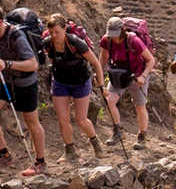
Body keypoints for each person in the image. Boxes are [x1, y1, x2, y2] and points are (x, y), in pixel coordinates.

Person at [0, 4, 48, 176]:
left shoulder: (16, 36)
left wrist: (7, 64)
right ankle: (4, 155)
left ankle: (40, 162)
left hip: (25, 82)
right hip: (4, 78)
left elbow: (33, 65)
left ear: (0, 23)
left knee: (31, 122)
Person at [43, 13, 106, 164]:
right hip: (60, 82)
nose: (54, 35)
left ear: (65, 29)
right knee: (63, 120)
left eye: (57, 31)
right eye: (51, 32)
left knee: (81, 119)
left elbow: (96, 63)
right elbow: (52, 61)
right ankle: (69, 151)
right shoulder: (48, 43)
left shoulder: (76, 42)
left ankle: (95, 142)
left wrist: (102, 85)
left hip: (81, 82)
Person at [99, 16, 152, 149]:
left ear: (122, 30)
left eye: (115, 34)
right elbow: (104, 56)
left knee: (139, 106)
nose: (114, 38)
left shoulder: (133, 40)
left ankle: (142, 136)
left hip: (137, 75)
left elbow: (150, 60)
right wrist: (99, 72)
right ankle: (118, 131)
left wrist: (143, 77)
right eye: (111, 34)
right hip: (118, 74)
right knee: (109, 101)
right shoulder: (107, 40)